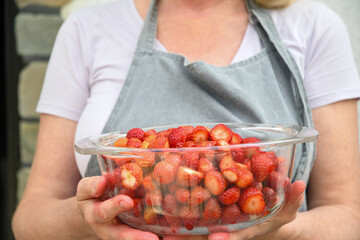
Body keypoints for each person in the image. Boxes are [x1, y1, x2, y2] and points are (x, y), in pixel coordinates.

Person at [12, 0, 360, 239]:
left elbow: (350, 216)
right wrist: (84, 219)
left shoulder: (314, 26)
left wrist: (275, 229)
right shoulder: (87, 30)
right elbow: (28, 221)